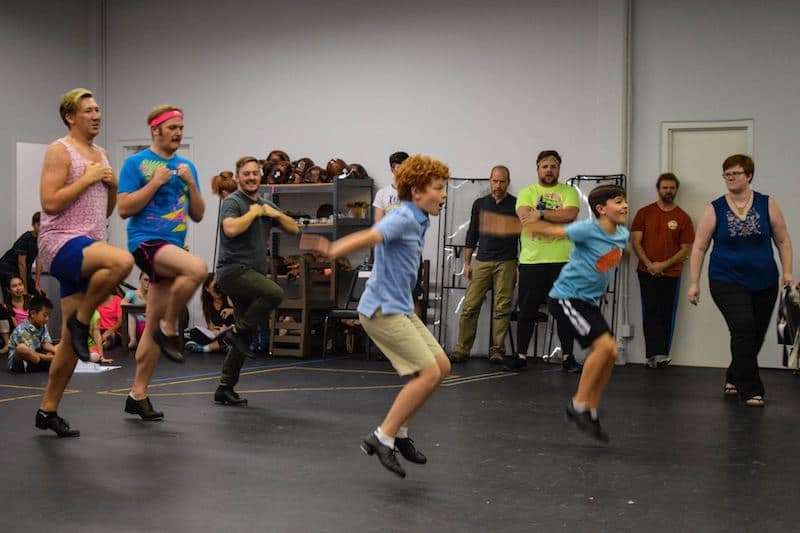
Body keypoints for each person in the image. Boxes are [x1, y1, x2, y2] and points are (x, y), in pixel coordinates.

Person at [301, 154, 451, 479]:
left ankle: (400, 432)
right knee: (427, 373)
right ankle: (382, 437)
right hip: (381, 310)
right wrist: (333, 249)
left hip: (400, 306)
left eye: (444, 188)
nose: (444, 195)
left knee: (441, 366)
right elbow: (372, 235)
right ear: (417, 191)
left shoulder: (419, 217)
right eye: (438, 188)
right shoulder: (404, 216)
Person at [482, 184, 629, 441]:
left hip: (587, 302)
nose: (625, 205)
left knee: (611, 352)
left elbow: (609, 260)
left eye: (625, 201)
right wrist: (507, 226)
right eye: (618, 201)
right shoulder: (588, 229)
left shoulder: (622, 234)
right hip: (567, 298)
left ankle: (590, 409)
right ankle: (578, 405)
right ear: (601, 209)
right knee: (604, 347)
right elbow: (551, 230)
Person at [36, 88, 134, 438]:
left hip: (90, 245)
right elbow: (49, 202)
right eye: (88, 110)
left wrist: (112, 185)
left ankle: (47, 410)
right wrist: (87, 178)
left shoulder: (102, 154)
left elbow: (104, 210)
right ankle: (81, 322)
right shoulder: (59, 150)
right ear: (70, 117)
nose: (96, 115)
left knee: (69, 344)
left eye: (98, 109)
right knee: (123, 261)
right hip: (60, 241)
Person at [117, 104, 207, 420]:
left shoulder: (186, 166)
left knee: (151, 322)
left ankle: (137, 394)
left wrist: (191, 184)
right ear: (156, 130)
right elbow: (124, 208)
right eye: (172, 128)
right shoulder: (136, 163)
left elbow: (198, 214)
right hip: (146, 242)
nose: (178, 133)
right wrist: (154, 182)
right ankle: (171, 326)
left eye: (181, 128)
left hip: (173, 246)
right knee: (197, 269)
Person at [688, 154, 794, 407]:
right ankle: (751, 388)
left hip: (765, 280)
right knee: (744, 327)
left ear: (749, 175)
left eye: (735, 173)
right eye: (727, 174)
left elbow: (782, 240)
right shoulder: (715, 208)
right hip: (726, 279)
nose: (730, 178)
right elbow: (699, 247)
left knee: (755, 333)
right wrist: (694, 283)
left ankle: (734, 375)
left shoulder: (767, 204)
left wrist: (788, 272)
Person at [213, 156, 297, 406]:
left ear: (260, 176)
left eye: (255, 173)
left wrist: (274, 213)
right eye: (246, 174)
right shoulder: (233, 202)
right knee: (274, 293)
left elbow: (294, 228)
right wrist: (253, 213)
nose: (251, 177)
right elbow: (230, 229)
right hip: (233, 271)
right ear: (238, 177)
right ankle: (235, 331)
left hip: (252, 275)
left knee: (245, 336)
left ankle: (225, 387)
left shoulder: (265, 203)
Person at [505, 150, 582, 373]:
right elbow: (525, 219)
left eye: (553, 166)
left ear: (559, 169)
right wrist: (552, 216)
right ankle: (521, 357)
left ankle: (568, 358)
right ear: (538, 168)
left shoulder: (569, 191)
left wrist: (540, 214)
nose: (549, 170)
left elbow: (569, 215)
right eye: (545, 166)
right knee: (527, 310)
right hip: (532, 261)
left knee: (564, 310)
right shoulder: (527, 192)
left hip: (562, 261)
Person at [450, 165, 518, 364]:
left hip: (507, 262)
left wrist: (519, 266)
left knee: (502, 308)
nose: (498, 185)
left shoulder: (516, 205)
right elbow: (472, 233)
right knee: (470, 307)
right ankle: (461, 350)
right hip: (482, 261)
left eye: (502, 181)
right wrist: (466, 263)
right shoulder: (480, 204)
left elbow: (523, 238)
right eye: (495, 181)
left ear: (508, 182)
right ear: (490, 181)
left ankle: (497, 351)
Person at [631, 173, 695, 368]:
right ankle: (652, 355)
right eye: (665, 187)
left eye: (672, 188)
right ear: (658, 189)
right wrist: (649, 264)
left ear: (676, 190)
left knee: (666, 312)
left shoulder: (683, 217)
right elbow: (636, 241)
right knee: (650, 311)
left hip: (671, 273)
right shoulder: (644, 213)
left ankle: (662, 354)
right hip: (646, 271)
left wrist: (663, 265)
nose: (668, 191)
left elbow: (685, 249)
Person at [185, 273, 234, 354]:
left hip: (232, 331)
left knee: (231, 334)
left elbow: (242, 315)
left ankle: (205, 348)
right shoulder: (208, 305)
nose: (217, 291)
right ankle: (222, 347)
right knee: (194, 332)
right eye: (214, 290)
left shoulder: (229, 298)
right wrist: (216, 331)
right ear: (207, 289)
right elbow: (211, 327)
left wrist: (231, 311)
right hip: (219, 334)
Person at [0, 211, 43, 300]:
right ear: (33, 225)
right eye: (39, 225)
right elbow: (21, 264)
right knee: (13, 297)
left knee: (39, 294)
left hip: (22, 271)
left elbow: (39, 261)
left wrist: (37, 284)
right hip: (7, 268)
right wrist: (25, 289)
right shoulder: (26, 238)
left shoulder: (42, 239)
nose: (42, 228)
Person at [7, 296, 57, 373]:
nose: (47, 319)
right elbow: (31, 352)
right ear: (33, 313)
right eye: (45, 315)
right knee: (21, 348)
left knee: (60, 345)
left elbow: (45, 343)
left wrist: (55, 350)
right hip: (23, 360)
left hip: (38, 353)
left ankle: (47, 363)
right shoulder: (22, 330)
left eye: (48, 316)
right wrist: (51, 357)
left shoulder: (42, 324)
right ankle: (47, 364)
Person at [372, 151, 408, 223]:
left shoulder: (416, 192)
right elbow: (379, 224)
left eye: (405, 167)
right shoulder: (382, 193)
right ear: (392, 169)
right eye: (399, 167)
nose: (403, 171)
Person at [121, 272, 149, 349]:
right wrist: (140, 308)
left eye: (150, 281)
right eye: (145, 280)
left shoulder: (155, 295)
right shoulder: (132, 293)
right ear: (140, 280)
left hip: (150, 326)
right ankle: (133, 340)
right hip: (137, 328)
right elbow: (122, 303)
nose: (148, 283)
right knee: (130, 313)